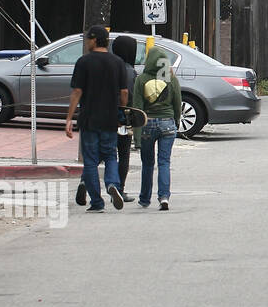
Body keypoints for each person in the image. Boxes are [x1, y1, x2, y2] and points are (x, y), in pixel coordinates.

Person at [65, 25, 129, 212]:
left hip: (89, 118)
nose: (86, 42)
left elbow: (77, 91)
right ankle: (112, 185)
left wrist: (69, 118)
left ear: (94, 40)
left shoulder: (83, 62)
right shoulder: (117, 62)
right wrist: (121, 111)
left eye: (88, 39)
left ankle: (97, 202)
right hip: (110, 118)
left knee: (91, 160)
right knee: (110, 155)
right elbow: (124, 91)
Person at [133, 42, 181, 211]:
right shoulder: (171, 79)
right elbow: (178, 104)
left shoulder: (141, 79)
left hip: (147, 124)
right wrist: (176, 122)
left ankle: (145, 199)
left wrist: (136, 137)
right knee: (164, 162)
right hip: (167, 124)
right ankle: (164, 197)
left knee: (147, 163)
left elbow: (137, 109)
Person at [111, 35, 139, 204]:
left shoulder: (108, 66)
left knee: (103, 152)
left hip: (104, 116)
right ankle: (119, 189)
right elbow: (131, 96)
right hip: (124, 118)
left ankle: (87, 181)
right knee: (124, 154)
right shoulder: (129, 71)